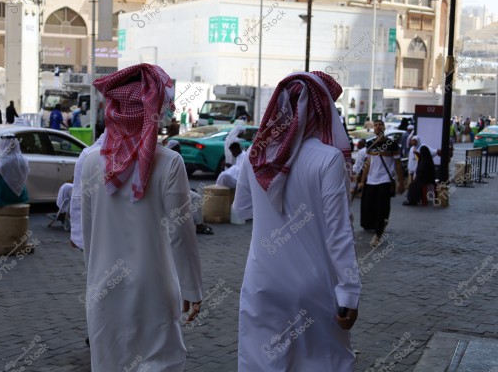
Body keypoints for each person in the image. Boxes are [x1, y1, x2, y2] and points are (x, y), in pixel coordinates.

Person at [232, 71, 361, 371]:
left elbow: (241, 209)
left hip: (262, 283)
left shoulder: (257, 156)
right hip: (313, 287)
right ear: (323, 108)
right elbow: (340, 232)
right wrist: (350, 291)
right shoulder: (328, 159)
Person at [82, 63, 203, 371]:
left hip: (103, 288)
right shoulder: (170, 163)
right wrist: (192, 288)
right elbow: (181, 233)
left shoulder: (91, 162)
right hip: (154, 290)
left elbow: (88, 232)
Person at [359, 120, 405, 248]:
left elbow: (398, 164)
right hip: (371, 181)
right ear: (373, 128)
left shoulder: (392, 144)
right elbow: (367, 164)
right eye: (376, 125)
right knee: (369, 206)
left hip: (385, 180)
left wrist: (401, 183)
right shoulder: (369, 144)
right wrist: (362, 181)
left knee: (380, 207)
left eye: (380, 125)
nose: (378, 127)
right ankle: (382, 222)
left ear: (384, 128)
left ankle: (377, 235)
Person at [166, 140, 214, 235]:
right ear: (174, 148)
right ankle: (199, 226)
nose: (180, 149)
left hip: (175, 188)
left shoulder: (170, 158)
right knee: (197, 198)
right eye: (178, 148)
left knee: (194, 195)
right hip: (173, 190)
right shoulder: (174, 159)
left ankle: (194, 223)